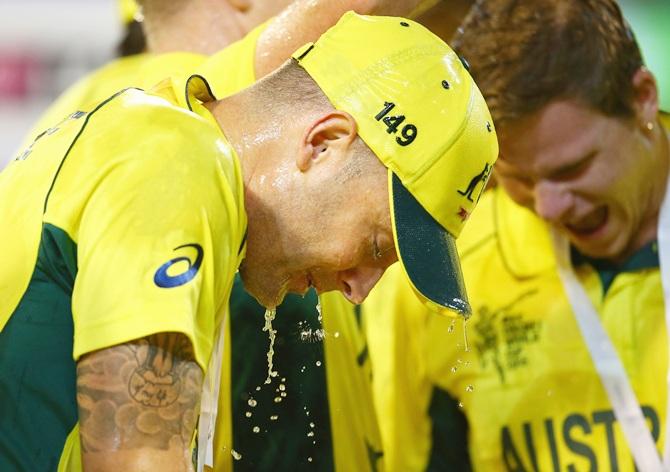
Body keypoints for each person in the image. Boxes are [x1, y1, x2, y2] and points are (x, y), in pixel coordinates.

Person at [0, 11, 498, 472]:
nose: (359, 290)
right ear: (322, 144)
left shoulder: (158, 139)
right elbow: (135, 460)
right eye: (374, 248)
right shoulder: (177, 160)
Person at [362, 0, 670, 470]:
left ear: (643, 98)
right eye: (518, 179)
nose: (548, 206)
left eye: (573, 168)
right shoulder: (442, 281)